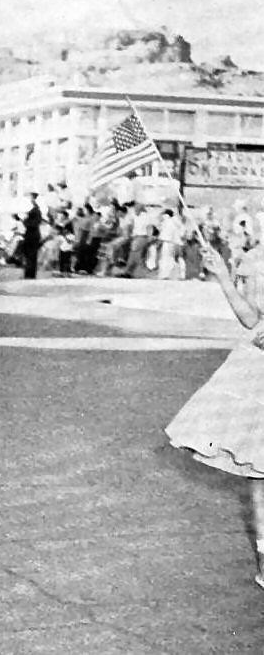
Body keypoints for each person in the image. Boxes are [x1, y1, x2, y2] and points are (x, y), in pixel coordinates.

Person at [165, 242, 264, 589]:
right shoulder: (257, 258)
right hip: (259, 370)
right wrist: (223, 276)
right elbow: (252, 318)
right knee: (259, 468)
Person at [22, 193, 42, 279]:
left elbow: (32, 223)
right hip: (32, 234)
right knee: (31, 255)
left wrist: (25, 222)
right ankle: (30, 273)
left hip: (32, 234)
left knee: (31, 255)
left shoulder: (35, 211)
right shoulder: (36, 211)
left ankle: (29, 274)